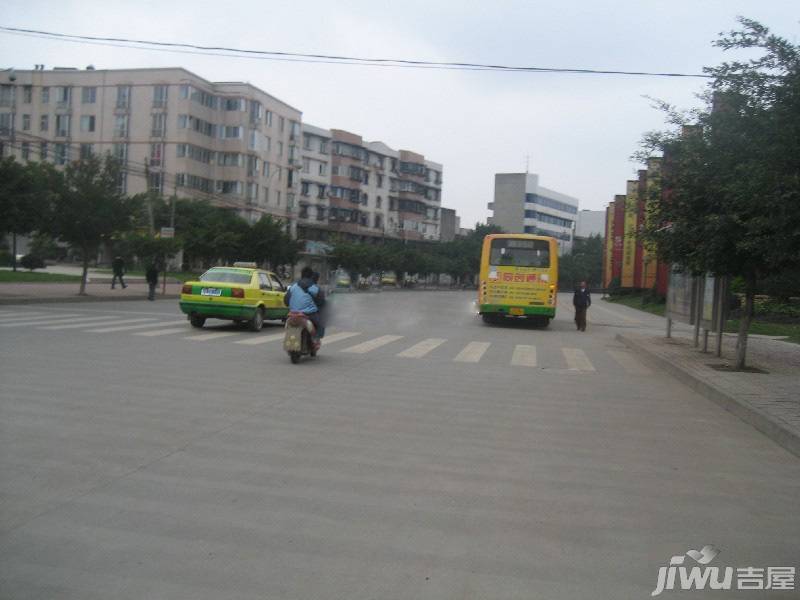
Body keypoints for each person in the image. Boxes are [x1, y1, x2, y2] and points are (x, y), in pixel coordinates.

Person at [284, 266, 324, 339]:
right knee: (320, 325)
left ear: (301, 275)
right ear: (311, 276)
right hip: (309, 314)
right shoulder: (313, 287)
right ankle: (316, 340)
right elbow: (321, 301)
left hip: (292, 314)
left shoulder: (293, 287)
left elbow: (286, 301)